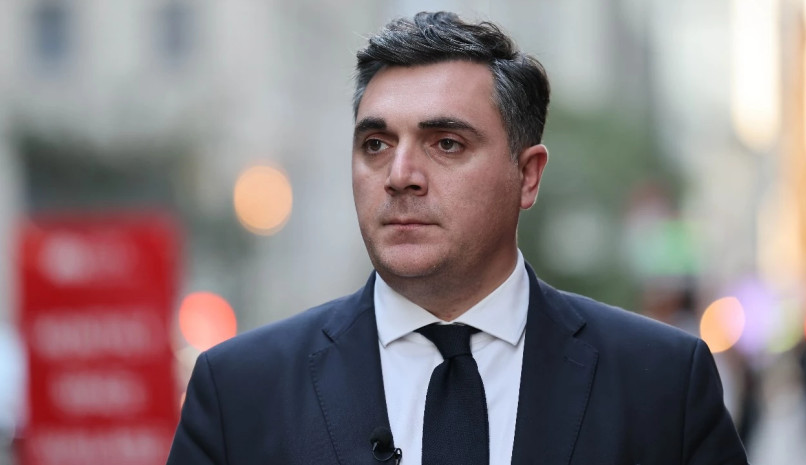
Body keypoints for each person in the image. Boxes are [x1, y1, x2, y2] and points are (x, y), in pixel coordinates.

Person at [167, 11, 749, 465]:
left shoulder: (661, 382)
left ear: (528, 176)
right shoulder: (239, 392)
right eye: (376, 144)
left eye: (446, 144)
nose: (400, 175)